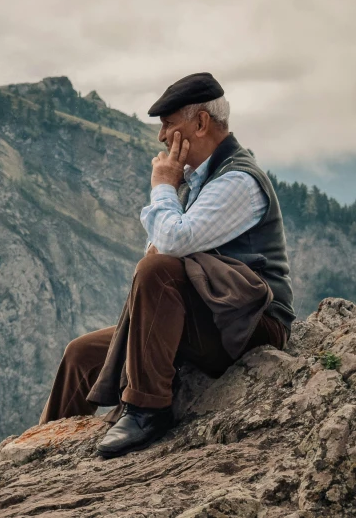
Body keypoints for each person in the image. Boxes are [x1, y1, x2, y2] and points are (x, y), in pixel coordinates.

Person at [38, 72, 295, 459]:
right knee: (82, 355)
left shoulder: (239, 180)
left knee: (156, 273)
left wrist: (162, 186)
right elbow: (156, 250)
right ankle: (43, 448)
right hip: (210, 315)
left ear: (201, 123)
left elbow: (167, 249)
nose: (162, 136)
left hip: (252, 323)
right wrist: (171, 201)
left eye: (169, 124)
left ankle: (146, 409)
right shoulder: (198, 183)